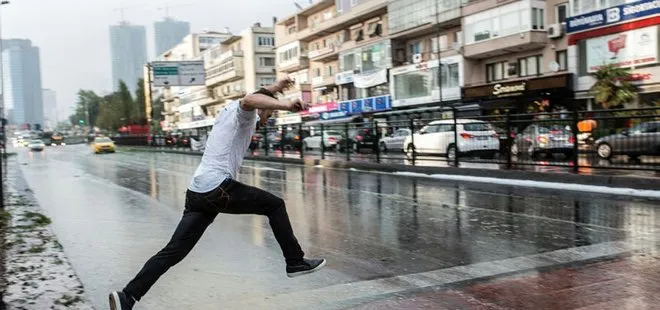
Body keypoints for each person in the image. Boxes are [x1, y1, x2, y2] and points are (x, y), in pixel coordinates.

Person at [109, 78, 326, 310]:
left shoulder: (230, 112)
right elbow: (251, 98)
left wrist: (276, 87)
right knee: (274, 205)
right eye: (269, 113)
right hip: (217, 187)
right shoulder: (245, 113)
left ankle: (127, 296)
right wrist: (284, 103)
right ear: (261, 108)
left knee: (174, 251)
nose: (268, 119)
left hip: (198, 191)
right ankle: (295, 262)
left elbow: (258, 95)